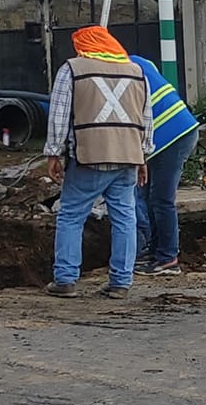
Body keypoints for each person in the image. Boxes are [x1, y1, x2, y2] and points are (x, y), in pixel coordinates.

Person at [42, 25, 153, 298]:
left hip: (89, 156)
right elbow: (146, 118)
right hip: (127, 157)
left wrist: (54, 152)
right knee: (125, 218)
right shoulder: (137, 72)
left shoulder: (72, 69)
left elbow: (59, 115)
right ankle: (121, 283)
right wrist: (143, 156)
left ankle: (66, 279)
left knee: (71, 215)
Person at [131, 54, 199, 275]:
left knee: (161, 198)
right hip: (175, 132)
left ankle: (168, 258)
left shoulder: (120, 72)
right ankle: (155, 250)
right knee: (150, 195)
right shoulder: (140, 61)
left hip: (172, 136)